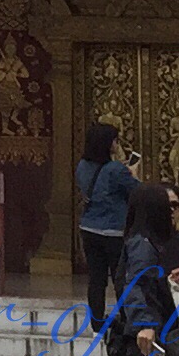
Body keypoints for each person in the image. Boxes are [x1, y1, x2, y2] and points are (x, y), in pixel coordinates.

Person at [115, 183, 179, 356]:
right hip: (150, 335)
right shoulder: (142, 243)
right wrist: (144, 324)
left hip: (169, 330)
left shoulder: (156, 242)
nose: (170, 212)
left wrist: (172, 283)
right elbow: (135, 284)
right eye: (165, 206)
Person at [72, 121, 139, 340]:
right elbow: (137, 192)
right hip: (113, 231)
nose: (117, 144)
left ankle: (96, 325)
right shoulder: (116, 170)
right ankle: (128, 322)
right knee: (120, 279)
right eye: (115, 140)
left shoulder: (82, 166)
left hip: (89, 228)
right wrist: (133, 174)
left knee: (96, 279)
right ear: (108, 143)